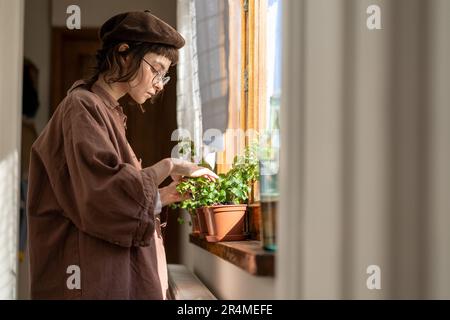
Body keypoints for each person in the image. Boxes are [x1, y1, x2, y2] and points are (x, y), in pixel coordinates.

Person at [27, 11, 217, 300]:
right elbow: (100, 198)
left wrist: (167, 195)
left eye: (165, 75)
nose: (159, 83)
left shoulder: (106, 111)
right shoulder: (82, 108)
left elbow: (107, 194)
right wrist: (169, 165)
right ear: (124, 53)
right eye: (156, 68)